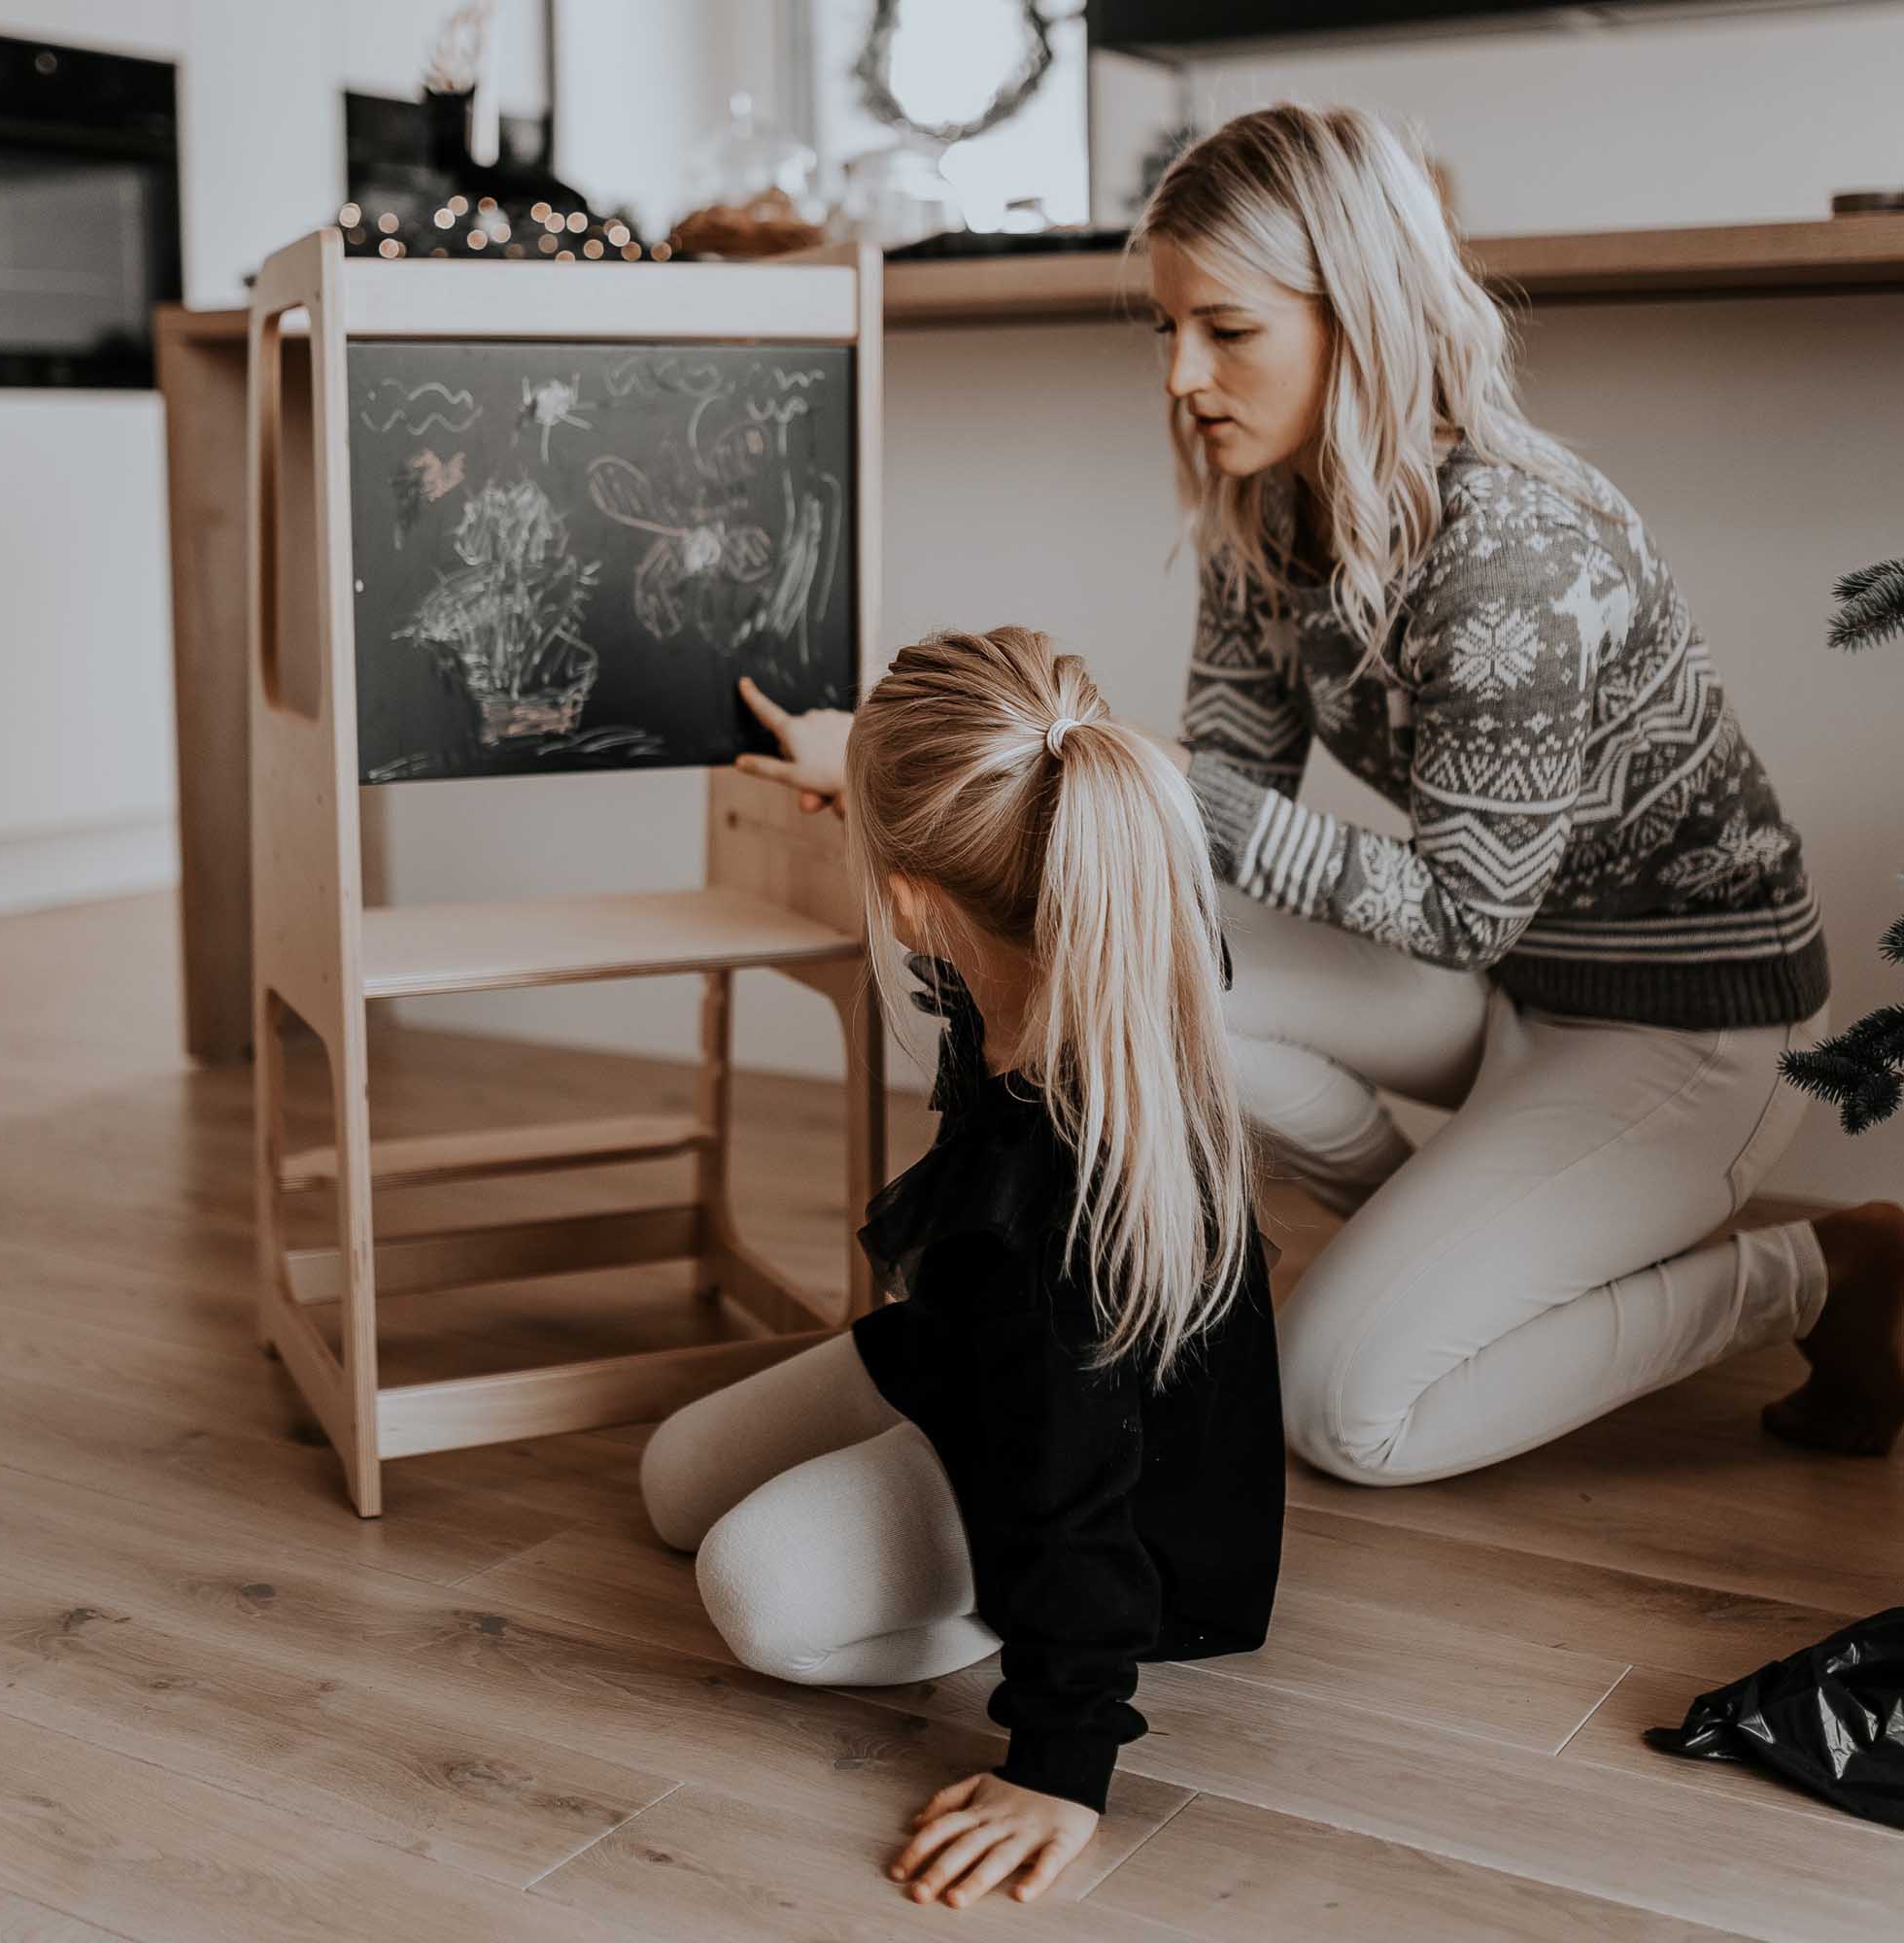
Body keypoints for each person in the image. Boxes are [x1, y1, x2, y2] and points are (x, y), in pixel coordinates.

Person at [729, 102, 1904, 1474]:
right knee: (1113, 969)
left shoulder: (1511, 557)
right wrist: (887, 763)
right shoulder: (1262, 511)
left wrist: (1166, 786)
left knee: (1349, 1417)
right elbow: (1213, 826)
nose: (1182, 375)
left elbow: (1453, 910)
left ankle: (1828, 1273)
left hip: (1682, 1023)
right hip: (1509, 984)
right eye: (1166, 329)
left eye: (1226, 330)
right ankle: (1470, 1247)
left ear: (1361, 317)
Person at [639, 627, 1285, 1909]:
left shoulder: (1034, 1224)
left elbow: (1071, 1482)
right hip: (985, 1378)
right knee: (674, 1484)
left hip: (1130, 1515)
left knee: (749, 1587)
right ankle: (947, 1550)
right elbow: (1006, 806)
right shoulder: (1093, 922)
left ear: (915, 904)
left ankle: (996, 1605)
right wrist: (854, 761)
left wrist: (1061, 1761)